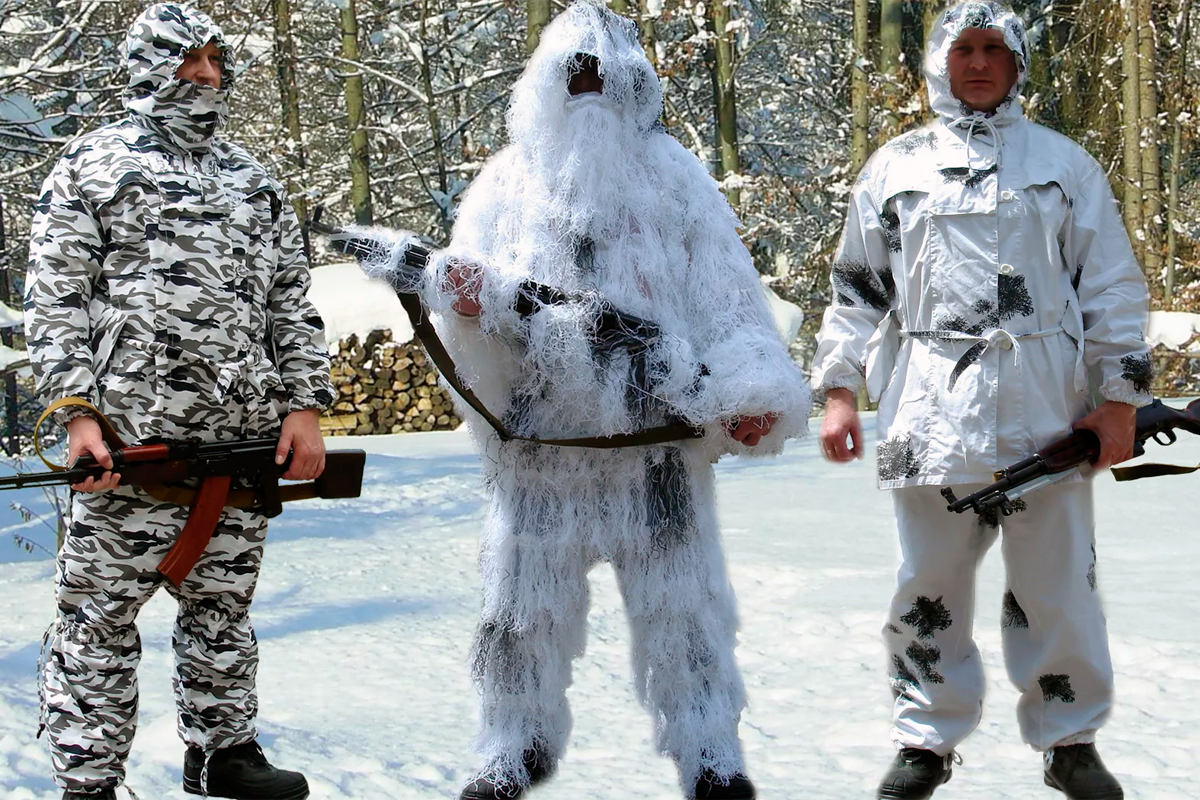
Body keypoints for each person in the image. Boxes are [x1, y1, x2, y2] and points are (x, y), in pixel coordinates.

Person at [340, 2, 808, 797]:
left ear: (633, 81)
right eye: (573, 73)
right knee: (518, 613)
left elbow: (724, 294)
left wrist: (745, 391)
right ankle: (509, 743)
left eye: (603, 73)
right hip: (542, 449)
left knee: (684, 610)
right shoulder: (504, 181)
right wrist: (462, 299)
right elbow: (472, 310)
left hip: (654, 443)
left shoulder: (672, 175)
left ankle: (709, 749)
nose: (590, 87)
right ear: (548, 85)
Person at [812, 3, 1152, 799]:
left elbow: (1110, 285)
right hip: (926, 410)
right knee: (925, 587)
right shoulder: (893, 168)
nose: (977, 63)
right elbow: (856, 290)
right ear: (938, 61)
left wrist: (1120, 401)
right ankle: (924, 740)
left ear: (1018, 60)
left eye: (994, 48)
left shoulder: (1065, 166)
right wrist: (837, 391)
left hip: (1047, 409)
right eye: (962, 48)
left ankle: (1070, 739)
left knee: (1059, 585)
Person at [25, 4, 334, 799]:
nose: (202, 75)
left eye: (209, 60)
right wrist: (77, 416)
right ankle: (87, 783)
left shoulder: (252, 179)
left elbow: (289, 304)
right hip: (129, 455)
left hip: (238, 449)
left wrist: (303, 406)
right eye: (183, 61)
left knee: (223, 608)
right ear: (145, 67)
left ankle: (224, 752)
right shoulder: (89, 166)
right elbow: (55, 302)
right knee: (97, 625)